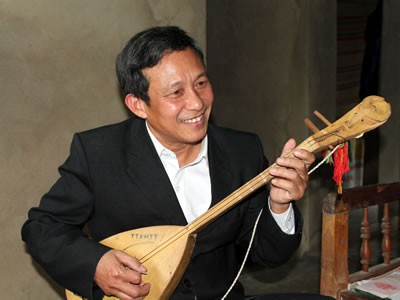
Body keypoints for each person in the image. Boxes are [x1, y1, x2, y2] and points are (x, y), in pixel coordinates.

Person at [21, 26, 327, 300]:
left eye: (201, 83)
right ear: (138, 104)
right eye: (176, 92)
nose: (196, 103)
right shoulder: (99, 153)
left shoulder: (241, 151)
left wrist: (279, 206)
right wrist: (95, 264)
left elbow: (268, 255)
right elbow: (42, 227)